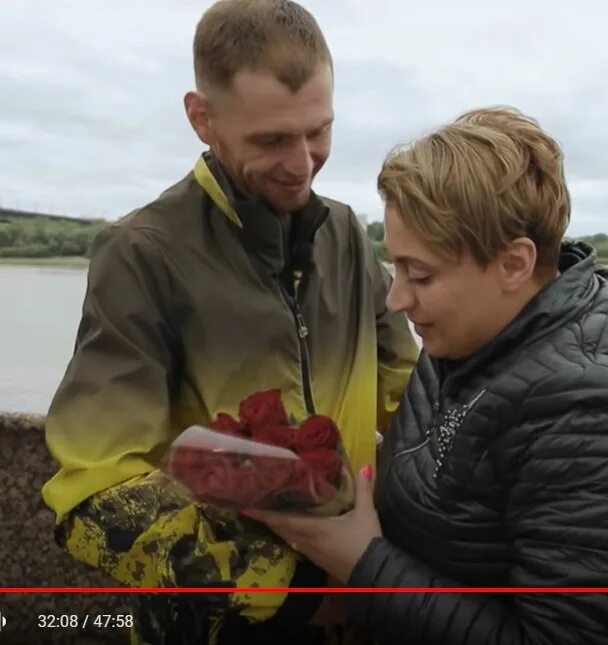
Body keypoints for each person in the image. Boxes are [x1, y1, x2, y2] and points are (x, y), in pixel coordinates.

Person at [245, 106, 608, 644]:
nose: (396, 299)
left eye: (420, 274)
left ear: (514, 264)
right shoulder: (477, 334)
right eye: (396, 267)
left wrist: (362, 563)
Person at [40, 0, 418, 643]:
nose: (302, 164)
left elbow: (412, 398)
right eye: (271, 140)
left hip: (364, 605)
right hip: (215, 625)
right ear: (202, 118)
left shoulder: (349, 237)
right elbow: (93, 487)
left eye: (319, 131)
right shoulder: (142, 255)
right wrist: (293, 591)